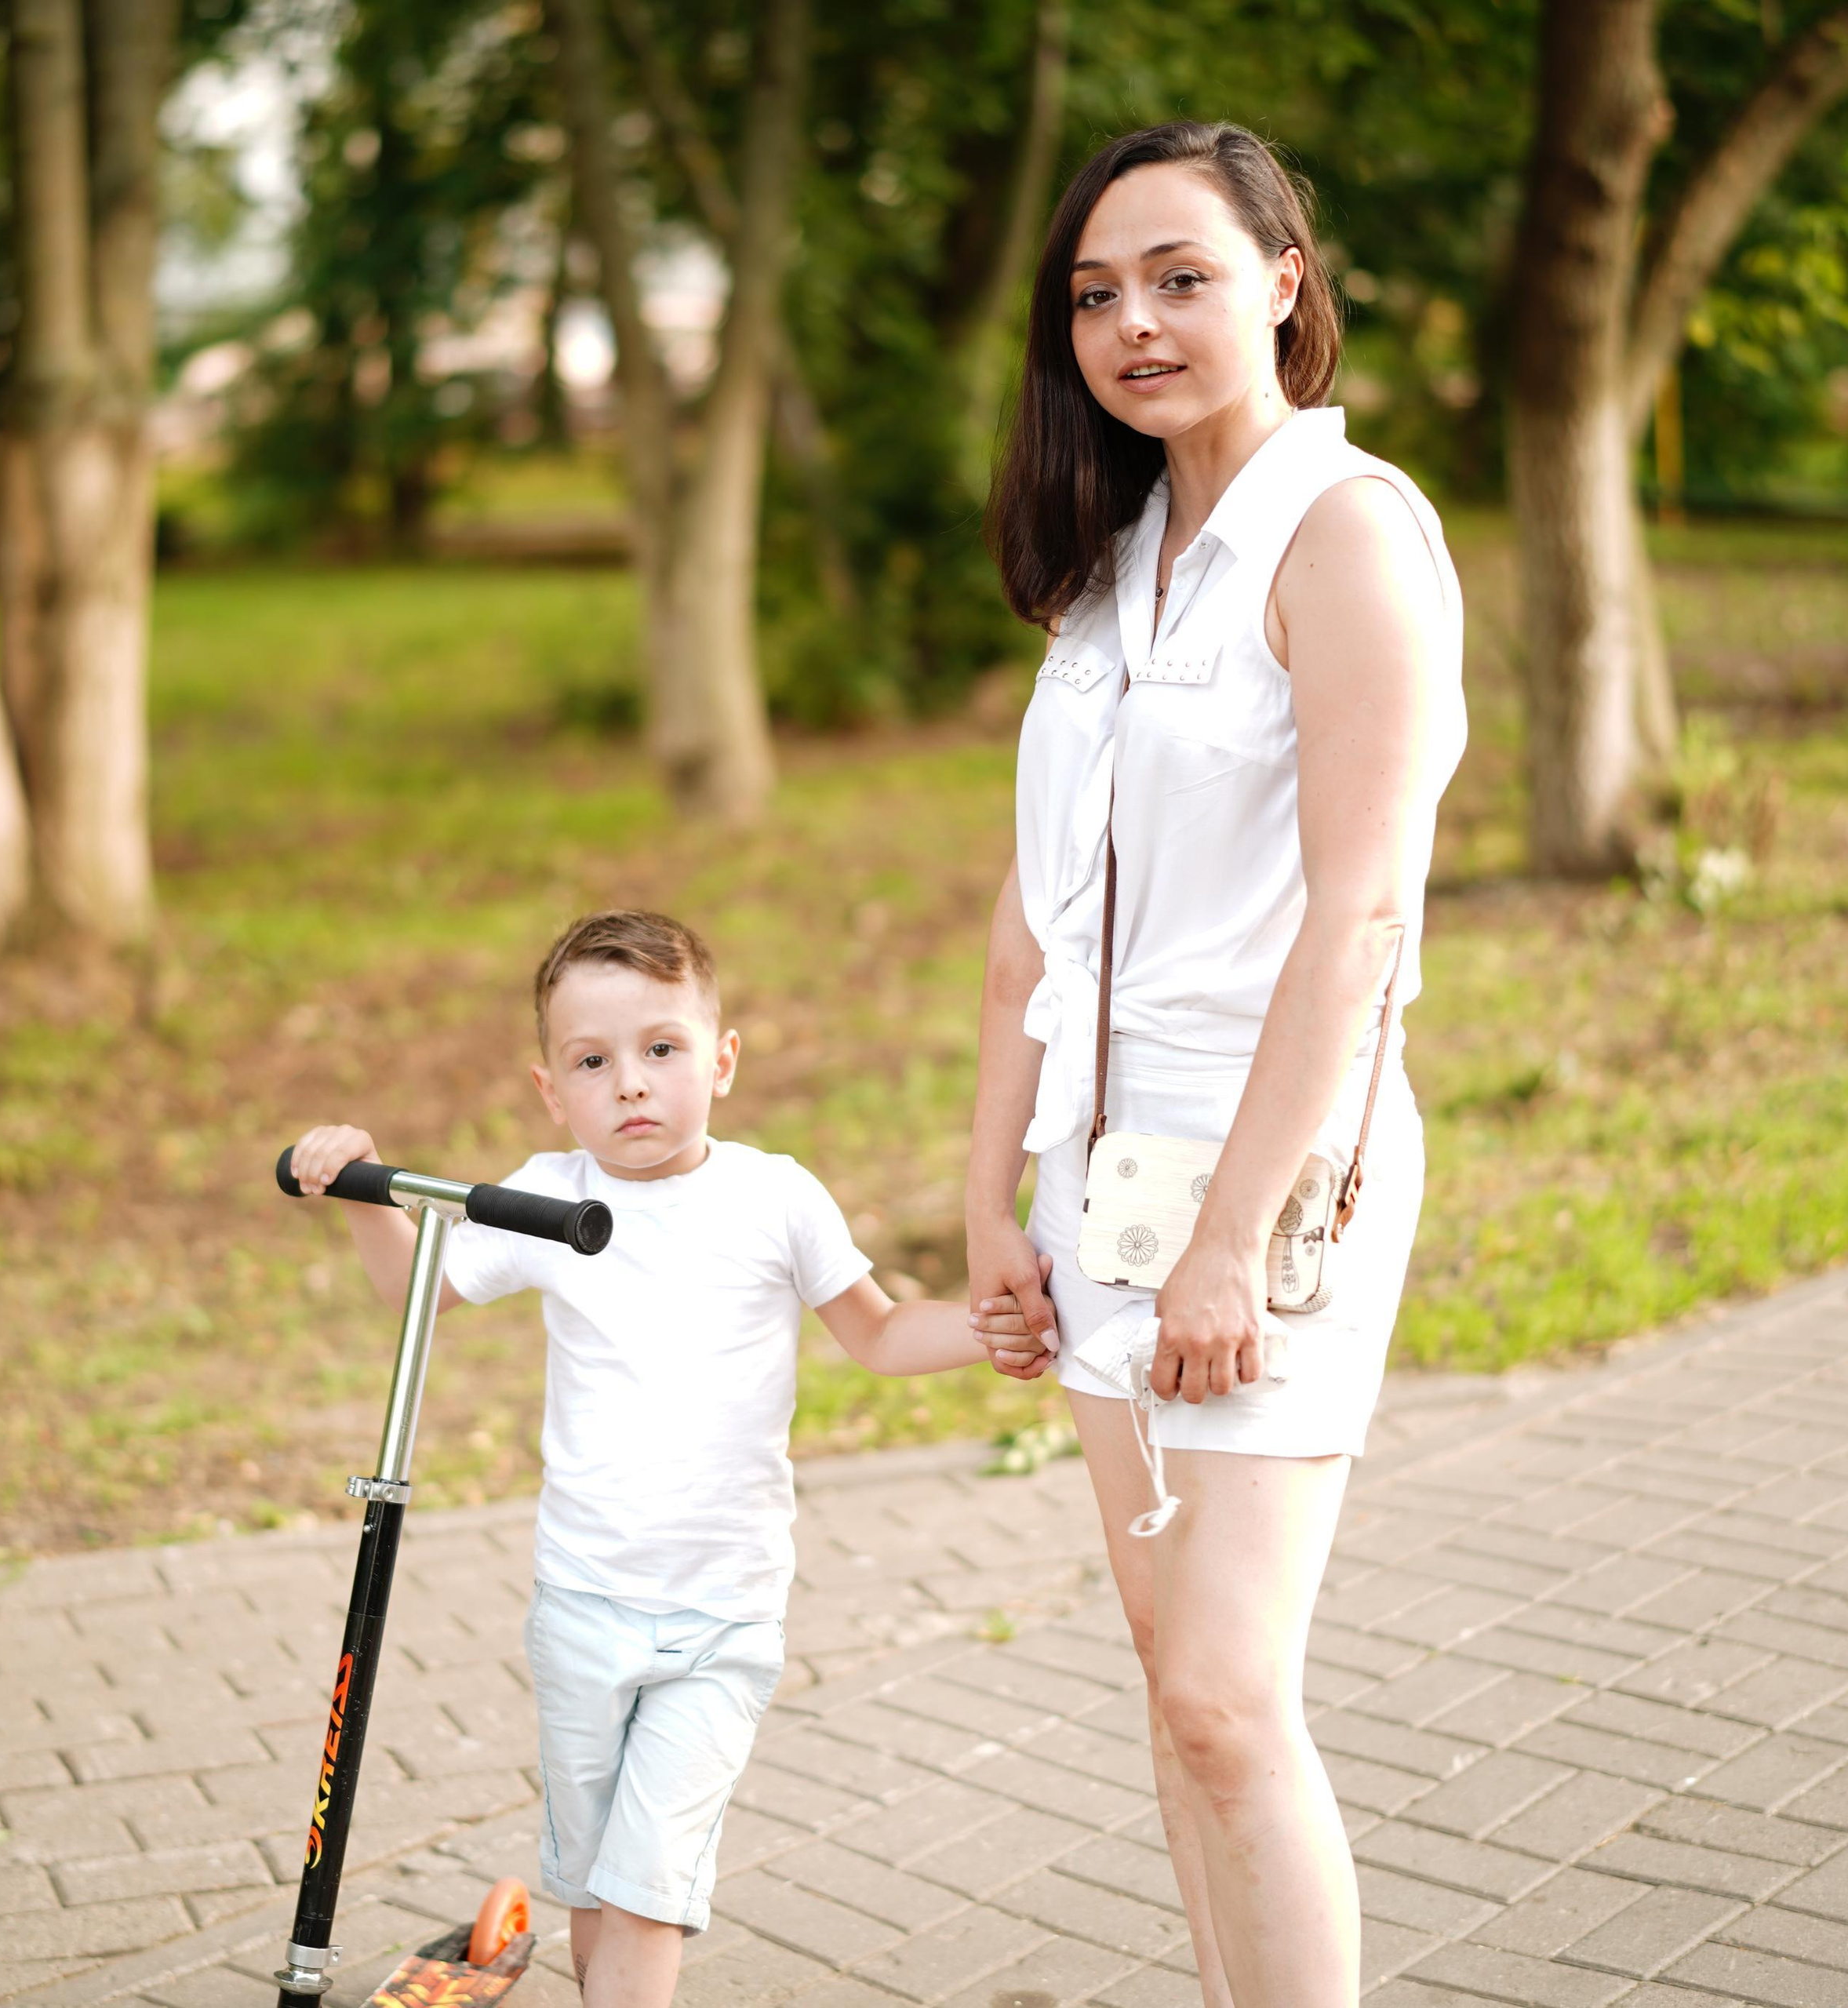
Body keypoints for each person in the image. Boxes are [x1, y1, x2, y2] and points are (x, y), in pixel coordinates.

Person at [965, 122, 1468, 2006]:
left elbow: (1358, 925)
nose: (1133, 322)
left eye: (1178, 275)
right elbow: (1029, 925)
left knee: (1223, 1696)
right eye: (1095, 293)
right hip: (1090, 1182)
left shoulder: (1347, 536)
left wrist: (1227, 1239)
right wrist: (986, 1202)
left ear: (1280, 279)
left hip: (1254, 1181)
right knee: (1169, 1691)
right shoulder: (1108, 567)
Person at [289, 910, 1043, 2008]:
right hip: (583, 1604)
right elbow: (425, 1291)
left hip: (721, 1619)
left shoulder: (773, 1197)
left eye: (661, 1049)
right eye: (594, 1062)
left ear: (721, 1060)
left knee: (648, 1889)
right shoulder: (547, 1196)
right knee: (596, 1886)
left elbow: (878, 1333)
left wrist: (991, 1328)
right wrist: (361, 1191)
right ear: (553, 1089)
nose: (631, 1084)